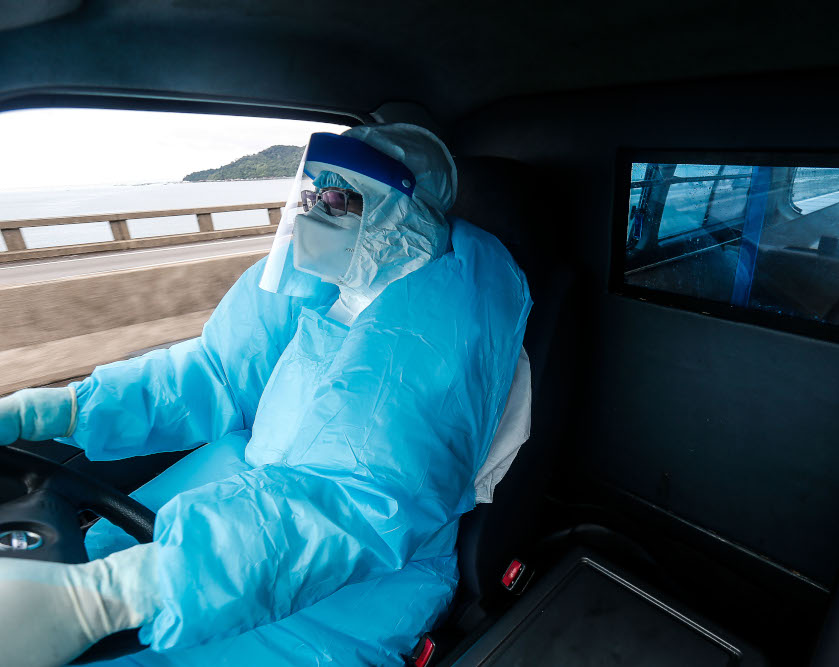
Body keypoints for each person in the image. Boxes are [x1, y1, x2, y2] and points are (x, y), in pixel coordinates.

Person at [0, 123, 532, 666]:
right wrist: (63, 408)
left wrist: (119, 595)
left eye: (335, 198)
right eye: (308, 194)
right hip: (250, 521)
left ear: (401, 217)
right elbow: (216, 373)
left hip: (355, 585)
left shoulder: (437, 332)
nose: (309, 213)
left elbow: (355, 499)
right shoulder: (329, 289)